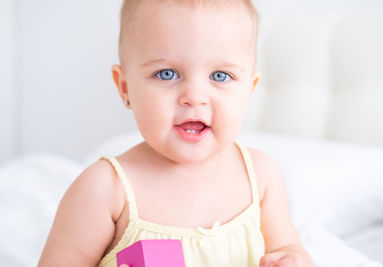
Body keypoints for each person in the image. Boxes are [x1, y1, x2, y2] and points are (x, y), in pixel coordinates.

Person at [38, 0, 315, 266]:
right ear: (124, 88)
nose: (194, 97)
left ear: (249, 92)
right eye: (167, 74)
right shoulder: (104, 190)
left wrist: (293, 260)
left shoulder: (261, 176)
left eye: (220, 76)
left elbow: (288, 249)